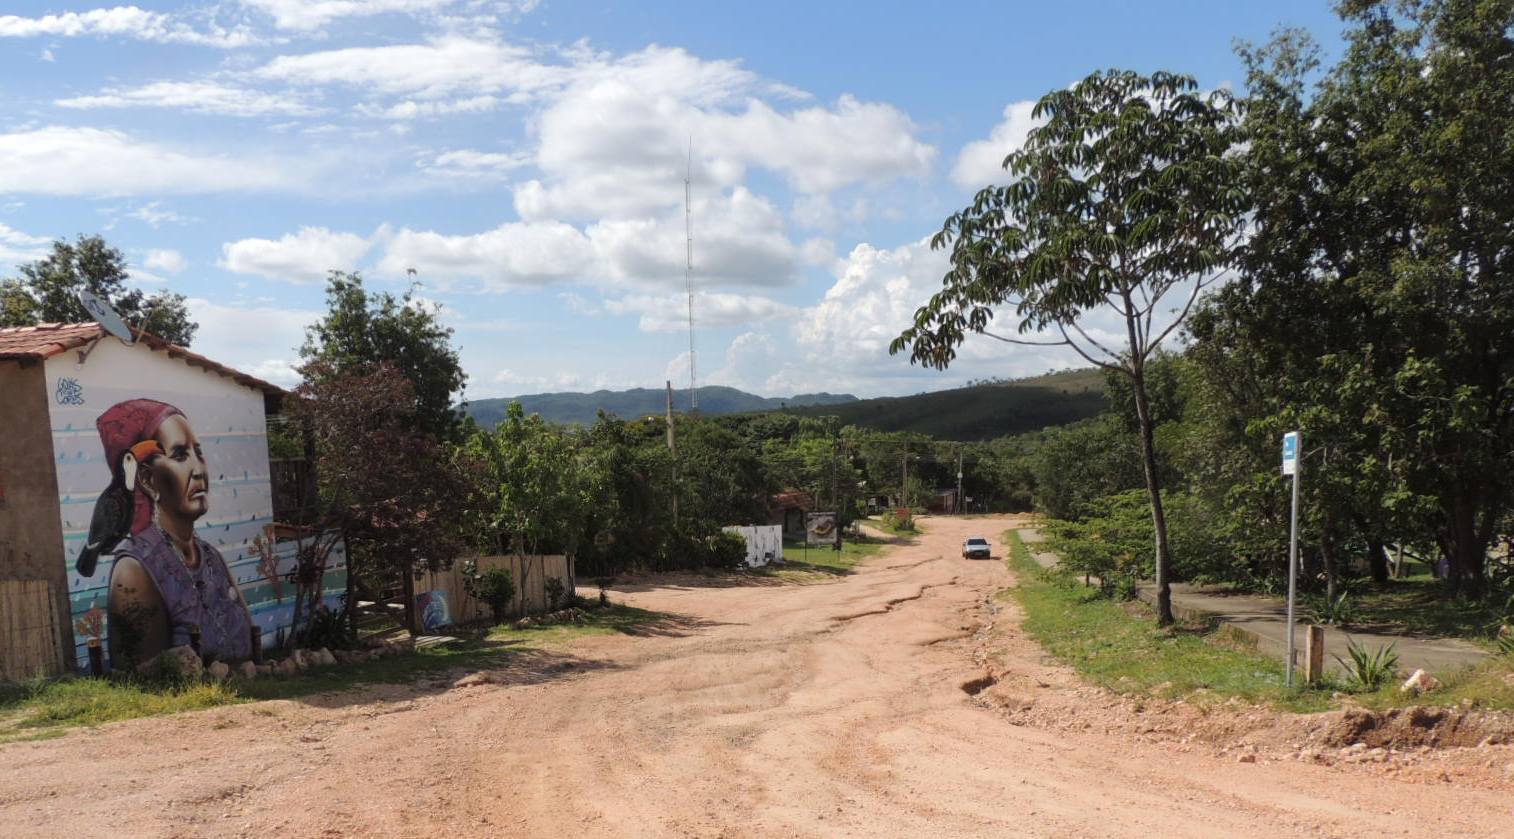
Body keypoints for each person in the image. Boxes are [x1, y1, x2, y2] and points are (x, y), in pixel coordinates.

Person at [96, 399, 253, 668]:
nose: (199, 470)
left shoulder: (211, 558)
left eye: (199, 453)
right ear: (147, 480)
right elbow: (141, 681)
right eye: (180, 455)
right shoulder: (136, 571)